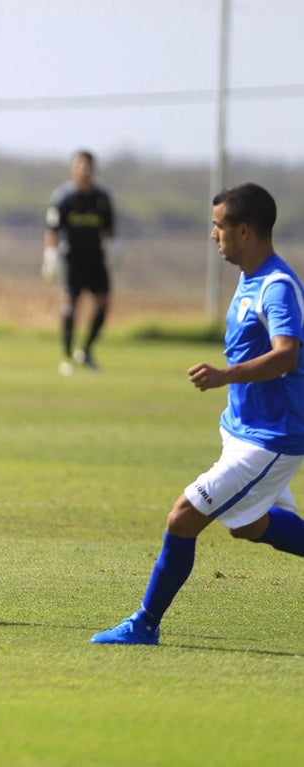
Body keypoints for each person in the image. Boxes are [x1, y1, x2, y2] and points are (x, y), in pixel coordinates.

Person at [91, 182, 304, 645]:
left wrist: (226, 375)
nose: (213, 235)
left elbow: (288, 355)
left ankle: (144, 624)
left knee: (183, 516)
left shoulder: (277, 286)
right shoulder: (251, 278)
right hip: (245, 430)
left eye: (218, 226)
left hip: (269, 438)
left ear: (243, 230)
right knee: (248, 524)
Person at [43, 149, 119, 375]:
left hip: (96, 260)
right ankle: (66, 357)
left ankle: (85, 351)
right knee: (70, 306)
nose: (84, 170)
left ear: (93, 169)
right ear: (73, 168)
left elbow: (109, 229)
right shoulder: (62, 198)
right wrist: (50, 254)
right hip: (72, 260)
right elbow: (52, 229)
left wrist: (115, 248)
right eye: (80, 165)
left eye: (88, 166)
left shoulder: (102, 198)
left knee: (103, 303)